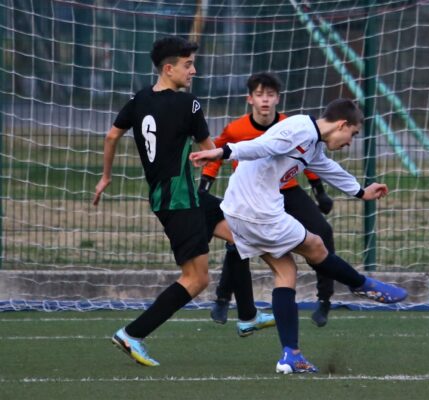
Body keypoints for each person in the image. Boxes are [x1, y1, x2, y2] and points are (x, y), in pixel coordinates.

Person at [189, 98, 408, 374]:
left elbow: (327, 168)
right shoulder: (299, 129)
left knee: (286, 272)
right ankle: (361, 284)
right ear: (342, 124)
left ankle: (291, 355)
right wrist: (222, 152)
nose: (350, 142)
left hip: (242, 208)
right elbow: (262, 146)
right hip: (256, 208)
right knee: (315, 245)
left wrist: (361, 191)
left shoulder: (313, 143)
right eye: (352, 134)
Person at [92, 36, 274, 367]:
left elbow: (111, 136)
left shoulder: (138, 100)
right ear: (169, 68)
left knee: (241, 234)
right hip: (179, 198)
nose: (194, 70)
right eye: (188, 65)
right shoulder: (188, 104)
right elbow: (210, 150)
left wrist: (106, 176)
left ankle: (247, 315)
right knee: (196, 278)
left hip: (177, 195)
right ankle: (133, 334)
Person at [199, 72, 336, 328]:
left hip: (287, 190)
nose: (265, 100)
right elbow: (216, 154)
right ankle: (222, 299)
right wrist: (205, 186)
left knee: (322, 231)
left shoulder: (289, 124)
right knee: (237, 242)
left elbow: (305, 157)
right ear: (250, 99)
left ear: (277, 99)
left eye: (270, 95)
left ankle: (324, 300)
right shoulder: (236, 129)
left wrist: (319, 190)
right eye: (260, 95)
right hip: (252, 194)